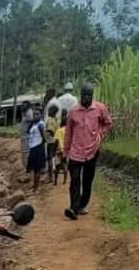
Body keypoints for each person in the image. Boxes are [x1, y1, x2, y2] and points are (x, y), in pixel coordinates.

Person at [63, 82, 113, 220]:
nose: (86, 98)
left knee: (87, 180)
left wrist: (100, 135)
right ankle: (74, 208)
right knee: (74, 180)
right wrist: (65, 151)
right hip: (75, 151)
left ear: (92, 95)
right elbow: (68, 132)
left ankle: (82, 204)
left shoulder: (100, 109)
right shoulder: (73, 112)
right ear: (80, 95)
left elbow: (108, 123)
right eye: (84, 95)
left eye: (89, 95)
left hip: (92, 150)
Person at [26, 107, 46, 190]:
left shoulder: (41, 124)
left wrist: (40, 144)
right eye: (34, 114)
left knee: (37, 169)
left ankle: (36, 188)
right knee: (34, 169)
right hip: (33, 148)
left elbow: (44, 138)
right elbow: (28, 132)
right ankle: (34, 186)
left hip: (38, 148)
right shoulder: (34, 124)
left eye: (37, 114)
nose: (35, 116)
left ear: (41, 115)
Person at [44, 103, 60, 184]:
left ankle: (50, 177)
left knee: (49, 158)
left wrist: (45, 137)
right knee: (53, 157)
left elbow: (50, 130)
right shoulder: (56, 119)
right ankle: (52, 175)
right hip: (56, 140)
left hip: (50, 141)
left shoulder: (50, 120)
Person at [54, 108, 69, 186]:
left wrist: (54, 151)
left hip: (59, 150)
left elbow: (56, 141)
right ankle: (64, 181)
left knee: (57, 166)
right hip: (66, 151)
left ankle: (55, 181)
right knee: (65, 164)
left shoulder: (58, 131)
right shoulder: (68, 131)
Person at [19, 101, 34, 171]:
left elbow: (32, 122)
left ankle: (28, 168)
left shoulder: (29, 113)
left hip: (27, 137)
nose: (23, 107)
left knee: (26, 152)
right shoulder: (25, 113)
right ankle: (26, 167)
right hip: (24, 136)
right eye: (22, 105)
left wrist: (28, 131)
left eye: (25, 106)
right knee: (24, 152)